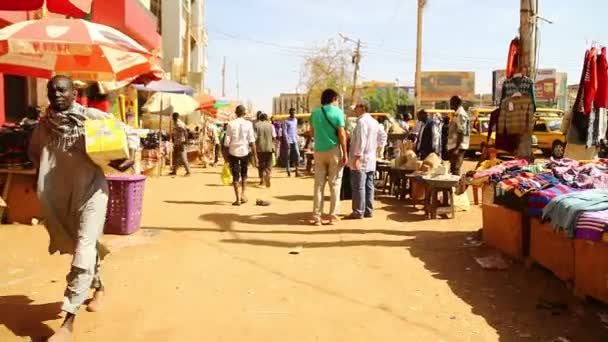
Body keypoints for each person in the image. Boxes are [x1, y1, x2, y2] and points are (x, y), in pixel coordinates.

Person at [27, 75, 116, 342]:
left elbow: (125, 143)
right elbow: (34, 154)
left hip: (93, 193)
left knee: (84, 246)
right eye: (52, 90)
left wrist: (121, 158)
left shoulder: (92, 118)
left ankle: (68, 319)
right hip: (64, 196)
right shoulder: (44, 126)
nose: (57, 95)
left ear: (73, 94)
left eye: (63, 90)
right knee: (81, 246)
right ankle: (99, 286)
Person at [309, 89, 348, 225]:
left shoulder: (315, 113)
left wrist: (320, 140)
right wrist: (345, 153)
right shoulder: (338, 112)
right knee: (335, 184)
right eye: (337, 100)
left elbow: (311, 132)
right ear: (334, 99)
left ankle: (316, 216)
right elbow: (342, 134)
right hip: (334, 151)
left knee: (318, 185)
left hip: (319, 151)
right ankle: (333, 216)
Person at [345, 101, 387, 219]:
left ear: (362, 108)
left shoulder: (362, 122)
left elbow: (361, 140)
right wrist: (377, 147)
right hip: (370, 157)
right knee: (369, 185)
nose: (355, 110)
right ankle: (368, 210)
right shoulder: (374, 121)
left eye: (356, 107)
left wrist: (358, 156)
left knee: (359, 185)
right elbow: (383, 136)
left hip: (361, 157)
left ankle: (358, 211)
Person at [224, 105, 257, 205]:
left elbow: (226, 142)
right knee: (244, 174)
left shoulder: (230, 124)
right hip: (245, 152)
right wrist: (255, 156)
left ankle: (237, 199)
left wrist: (226, 157)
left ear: (236, 113)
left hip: (233, 152)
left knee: (235, 176)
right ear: (244, 113)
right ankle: (243, 194)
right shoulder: (249, 124)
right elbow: (252, 141)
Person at [447, 96, 470, 175]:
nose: (450, 104)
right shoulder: (457, 114)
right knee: (453, 169)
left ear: (456, 103)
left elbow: (461, 132)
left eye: (451, 102)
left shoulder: (460, 114)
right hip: (454, 146)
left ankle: (456, 186)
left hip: (458, 147)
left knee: (455, 169)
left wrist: (456, 148)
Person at [254, 112, 276, 187]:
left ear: (260, 118)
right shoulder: (271, 125)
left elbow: (255, 137)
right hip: (269, 147)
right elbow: (274, 137)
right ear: (266, 118)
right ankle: (268, 174)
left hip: (259, 148)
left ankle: (262, 179)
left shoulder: (256, 125)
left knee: (261, 164)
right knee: (268, 164)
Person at [283, 107, 301, 177]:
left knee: (297, 155)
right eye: (292, 113)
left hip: (295, 140)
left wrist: (297, 137)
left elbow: (295, 130)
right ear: (290, 113)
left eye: (294, 113)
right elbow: (284, 132)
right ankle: (288, 170)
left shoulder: (295, 120)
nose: (293, 114)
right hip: (288, 141)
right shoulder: (286, 121)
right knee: (288, 156)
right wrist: (287, 141)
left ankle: (297, 170)